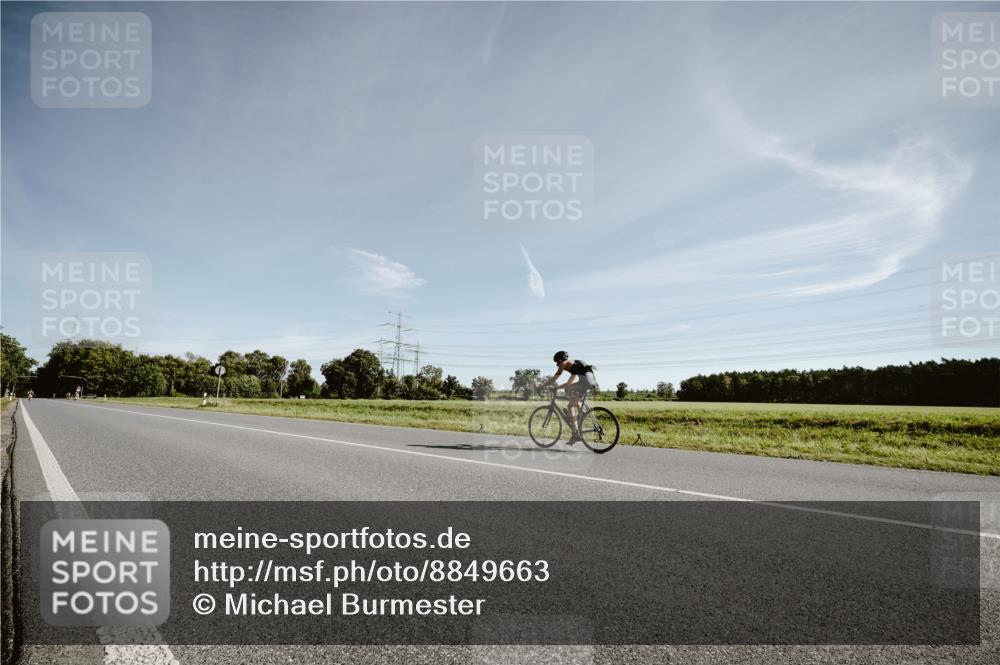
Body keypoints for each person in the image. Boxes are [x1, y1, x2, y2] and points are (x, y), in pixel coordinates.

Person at [538, 351, 595, 444]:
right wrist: (558, 387)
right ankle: (578, 419)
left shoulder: (564, 364)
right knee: (568, 392)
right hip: (589, 382)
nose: (557, 365)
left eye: (557, 363)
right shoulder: (574, 365)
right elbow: (569, 383)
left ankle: (578, 420)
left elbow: (554, 378)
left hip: (585, 383)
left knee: (570, 403)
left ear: (560, 360)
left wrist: (542, 386)